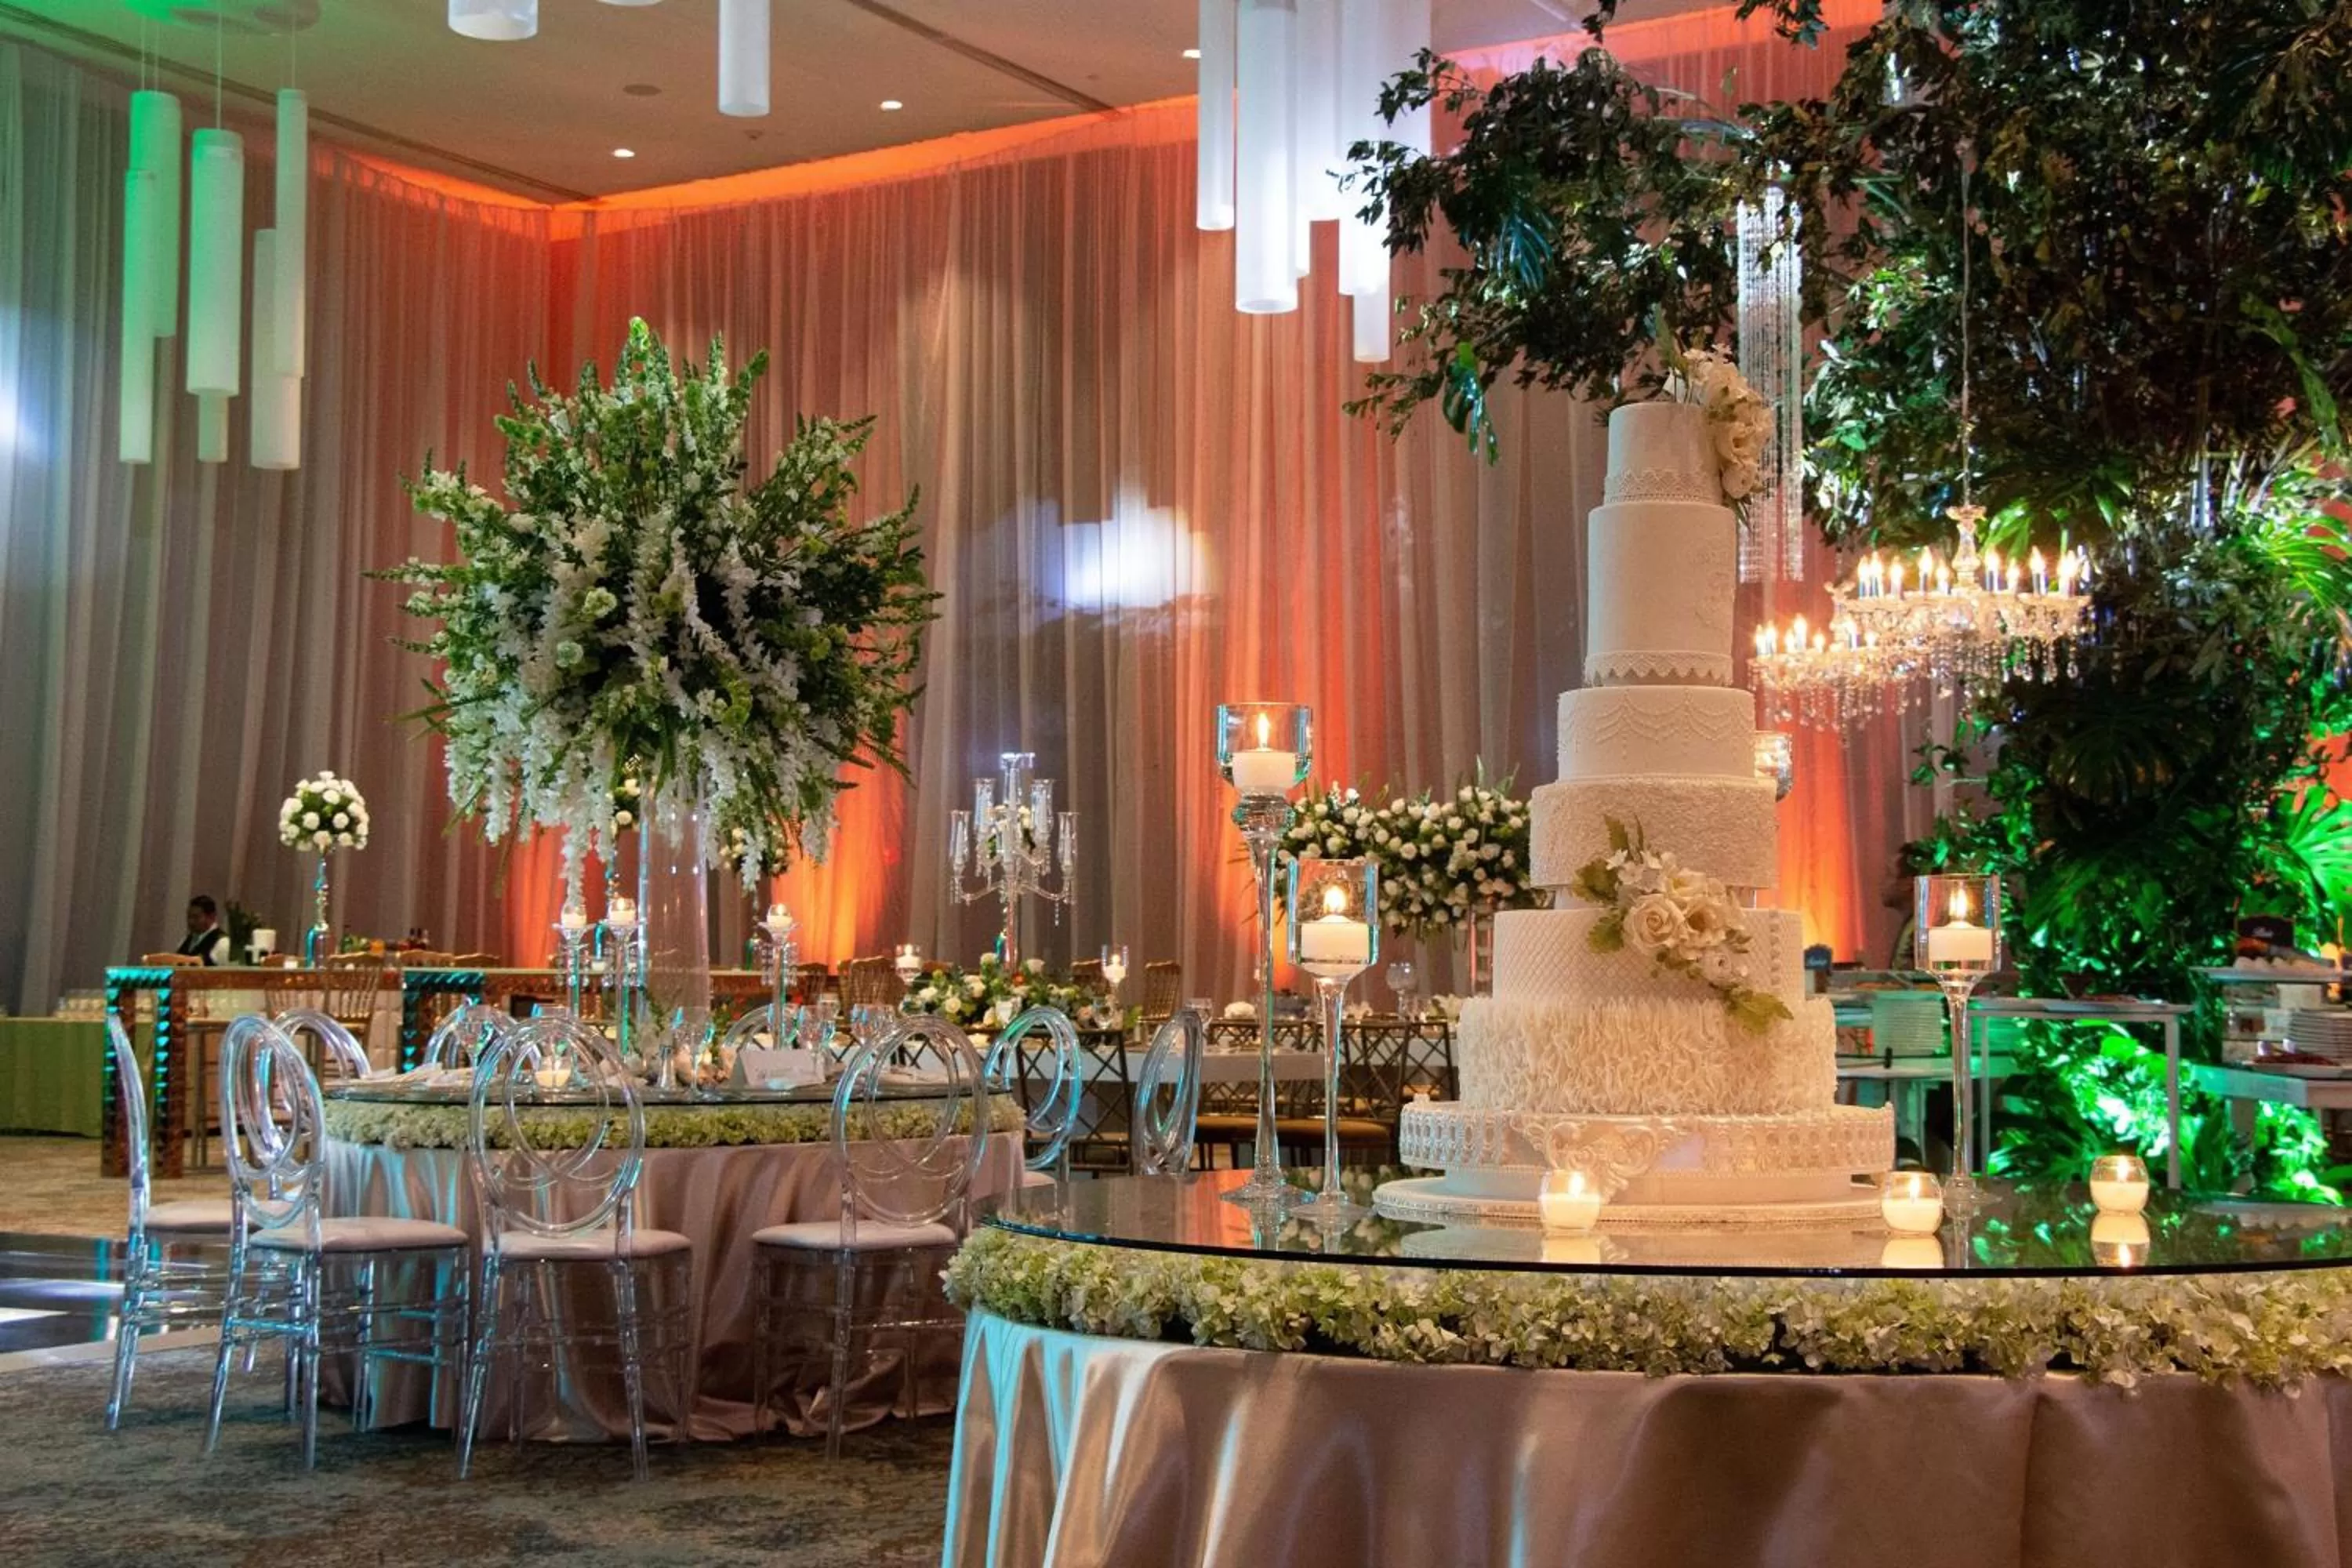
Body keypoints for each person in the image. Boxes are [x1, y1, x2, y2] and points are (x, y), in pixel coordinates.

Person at [177, 895, 230, 966]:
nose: (191, 922)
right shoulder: (185, 940)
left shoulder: (222, 942)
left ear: (211, 917)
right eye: (189, 917)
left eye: (196, 917)